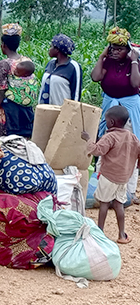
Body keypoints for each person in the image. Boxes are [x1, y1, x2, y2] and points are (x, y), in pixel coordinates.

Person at [91, 27, 140, 205]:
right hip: (110, 106)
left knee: (129, 147)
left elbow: (135, 83)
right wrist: (101, 57)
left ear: (128, 50)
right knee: (105, 143)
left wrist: (134, 61)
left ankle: (129, 192)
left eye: (119, 49)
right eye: (112, 48)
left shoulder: (134, 62)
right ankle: (100, 187)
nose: (115, 52)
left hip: (129, 108)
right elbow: (95, 77)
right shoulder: (108, 62)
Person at [82, 105, 140, 244]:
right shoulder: (132, 136)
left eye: (106, 120)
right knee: (119, 204)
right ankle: (122, 235)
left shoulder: (110, 137)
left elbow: (97, 151)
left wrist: (88, 139)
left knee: (104, 203)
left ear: (112, 122)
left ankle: (100, 232)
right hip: (123, 178)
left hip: (108, 177)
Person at [0, 23, 36, 137]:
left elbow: (1, 92)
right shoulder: (27, 60)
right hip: (26, 112)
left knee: (6, 143)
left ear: (3, 45)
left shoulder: (4, 64)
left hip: (9, 113)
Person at [38, 35, 82, 106]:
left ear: (57, 49)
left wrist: (72, 110)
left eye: (51, 46)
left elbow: (76, 94)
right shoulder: (51, 63)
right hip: (44, 109)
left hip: (61, 110)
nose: (49, 49)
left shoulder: (73, 67)